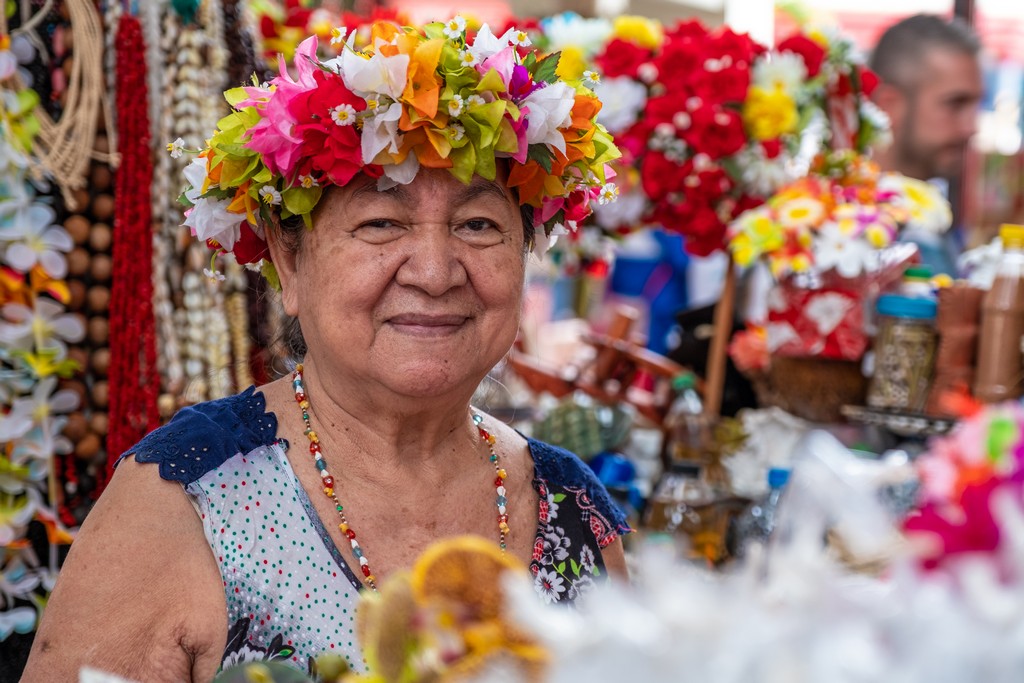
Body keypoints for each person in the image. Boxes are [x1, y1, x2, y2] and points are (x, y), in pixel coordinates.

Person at [22, 19, 628, 682]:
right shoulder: (181, 498)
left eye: (478, 224)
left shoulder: (574, 503)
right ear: (289, 260)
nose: (433, 270)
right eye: (379, 223)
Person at [869, 14, 984, 274]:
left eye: (976, 105)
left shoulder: (934, 216)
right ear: (889, 105)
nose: (971, 127)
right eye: (955, 103)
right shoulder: (845, 225)